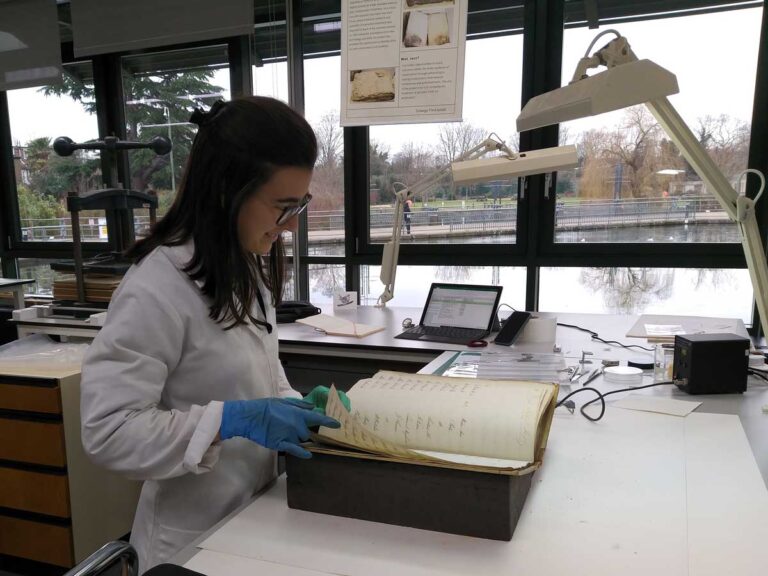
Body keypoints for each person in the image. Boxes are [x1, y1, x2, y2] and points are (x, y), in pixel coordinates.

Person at [80, 96, 349, 571]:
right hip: (189, 547)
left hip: (253, 518)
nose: (288, 226)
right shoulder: (156, 287)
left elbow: (257, 376)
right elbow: (108, 431)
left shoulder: (241, 264)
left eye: (299, 205)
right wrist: (228, 421)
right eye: (282, 207)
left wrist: (292, 402)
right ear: (228, 190)